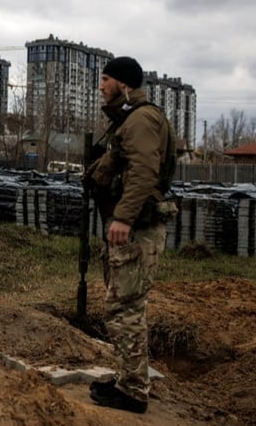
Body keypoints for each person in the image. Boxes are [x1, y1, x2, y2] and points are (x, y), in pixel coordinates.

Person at [83, 56, 177, 414]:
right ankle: (128, 380)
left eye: (105, 79)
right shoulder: (131, 118)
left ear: (123, 84)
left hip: (136, 230)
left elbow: (143, 172)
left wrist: (122, 217)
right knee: (124, 306)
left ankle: (134, 392)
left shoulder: (140, 119)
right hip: (133, 228)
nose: (100, 86)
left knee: (124, 308)